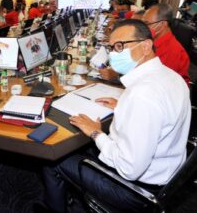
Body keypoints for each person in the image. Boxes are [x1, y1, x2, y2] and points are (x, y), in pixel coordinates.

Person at [43, 19, 191, 213]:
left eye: (120, 46)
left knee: (52, 160)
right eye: (112, 47)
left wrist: (96, 134)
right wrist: (123, 106)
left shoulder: (143, 95)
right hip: (166, 171)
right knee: (79, 149)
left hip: (135, 190)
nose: (113, 53)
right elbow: (159, 114)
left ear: (146, 46)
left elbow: (129, 168)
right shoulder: (170, 76)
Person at [100, 4, 191, 85]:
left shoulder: (172, 50)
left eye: (147, 23)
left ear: (162, 24)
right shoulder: (152, 40)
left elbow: (154, 84)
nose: (142, 27)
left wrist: (118, 74)